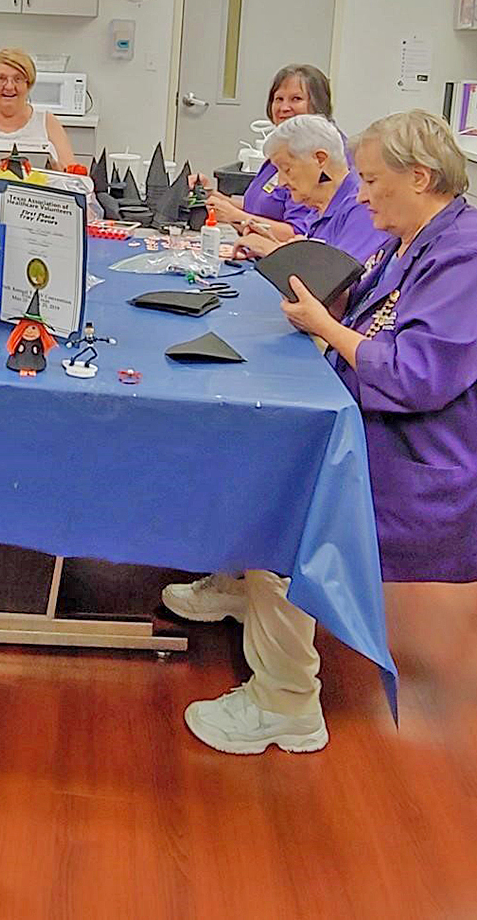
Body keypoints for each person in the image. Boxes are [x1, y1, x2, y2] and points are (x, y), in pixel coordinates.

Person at [172, 110, 477, 755]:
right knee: (255, 442)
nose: (359, 196)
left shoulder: (463, 255)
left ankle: (286, 702)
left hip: (414, 457)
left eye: (370, 182)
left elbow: (414, 374)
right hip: (372, 418)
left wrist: (325, 325)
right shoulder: (417, 239)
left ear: (419, 178)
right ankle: (238, 582)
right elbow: (371, 321)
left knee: (282, 494)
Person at [196, 64, 338, 239]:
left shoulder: (314, 158)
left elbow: (299, 234)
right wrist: (212, 196)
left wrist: (236, 217)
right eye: (279, 99)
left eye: (296, 99)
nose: (284, 108)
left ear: (318, 105)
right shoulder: (280, 151)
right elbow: (258, 208)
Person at [229, 114, 391, 263]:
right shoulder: (317, 208)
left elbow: (337, 283)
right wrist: (277, 246)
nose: (281, 183)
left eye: (286, 169)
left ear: (320, 159)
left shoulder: (361, 207)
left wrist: (272, 251)